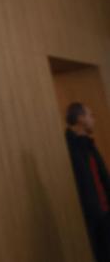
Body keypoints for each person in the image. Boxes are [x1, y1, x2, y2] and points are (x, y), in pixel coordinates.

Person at [66, 102, 110, 262]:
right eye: (90, 115)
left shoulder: (89, 145)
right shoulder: (71, 147)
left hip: (105, 213)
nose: (93, 120)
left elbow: (102, 178)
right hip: (93, 218)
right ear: (80, 118)